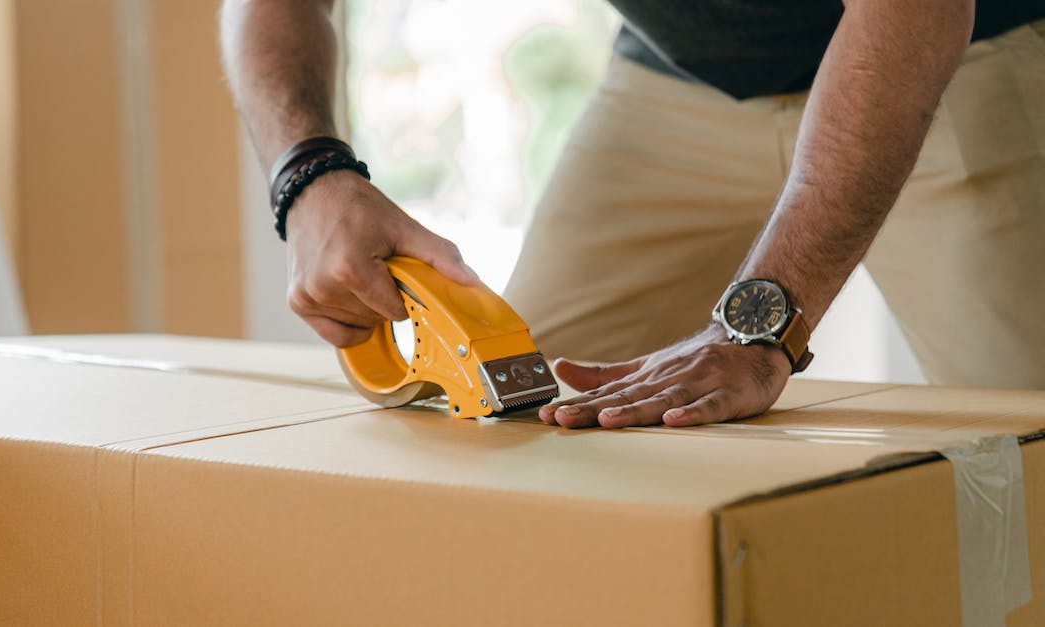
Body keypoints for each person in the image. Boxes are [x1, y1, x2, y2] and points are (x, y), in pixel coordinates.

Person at [220, 0, 1045, 429]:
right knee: (518, 410)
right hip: (676, 80)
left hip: (949, 59)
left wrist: (761, 328)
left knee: (1027, 431)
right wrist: (308, 174)